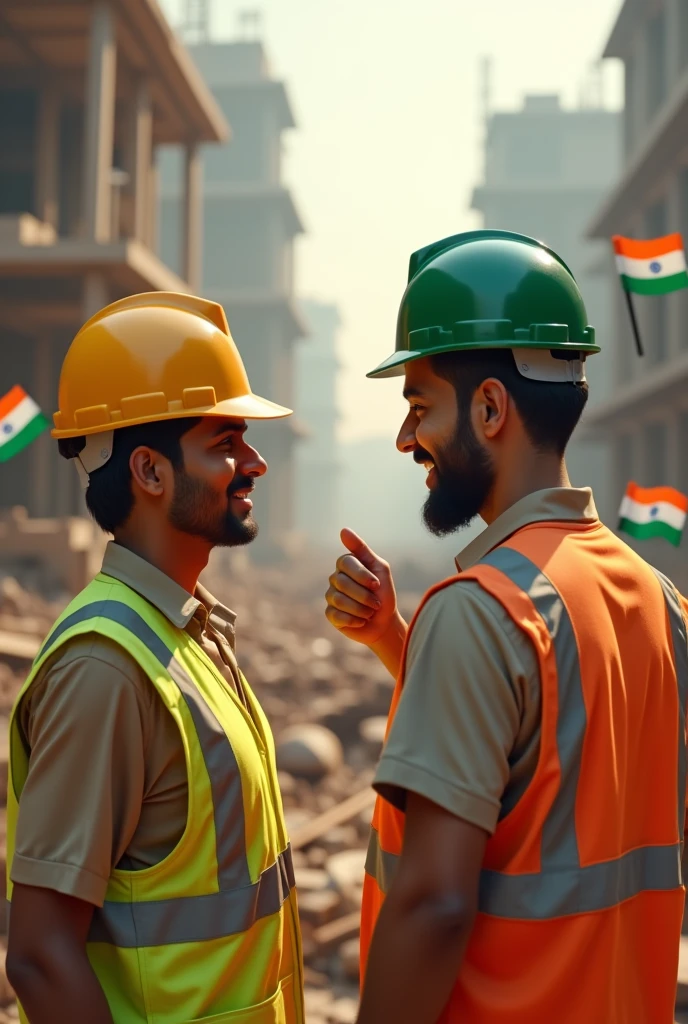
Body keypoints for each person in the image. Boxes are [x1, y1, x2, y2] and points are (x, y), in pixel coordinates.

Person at [325, 230, 688, 1024]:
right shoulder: (658, 601)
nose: (404, 438)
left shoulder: (482, 613)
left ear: (491, 408)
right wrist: (399, 641)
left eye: (418, 406)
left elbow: (433, 907)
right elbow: (553, 767)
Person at [6, 292, 304, 1024]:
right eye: (226, 442)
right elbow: (41, 956)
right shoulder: (105, 669)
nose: (255, 463)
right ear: (149, 470)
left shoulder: (186, 635)